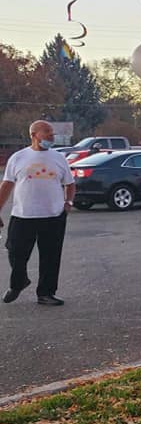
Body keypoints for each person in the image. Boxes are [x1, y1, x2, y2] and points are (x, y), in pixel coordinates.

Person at [0, 120, 75, 305]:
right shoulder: (18, 158)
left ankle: (46, 293)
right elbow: (7, 184)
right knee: (15, 251)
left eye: (52, 133)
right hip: (23, 215)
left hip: (53, 216)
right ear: (34, 135)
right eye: (47, 132)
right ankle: (18, 283)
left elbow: (70, 183)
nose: (51, 136)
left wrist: (68, 202)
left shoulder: (58, 158)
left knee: (50, 256)